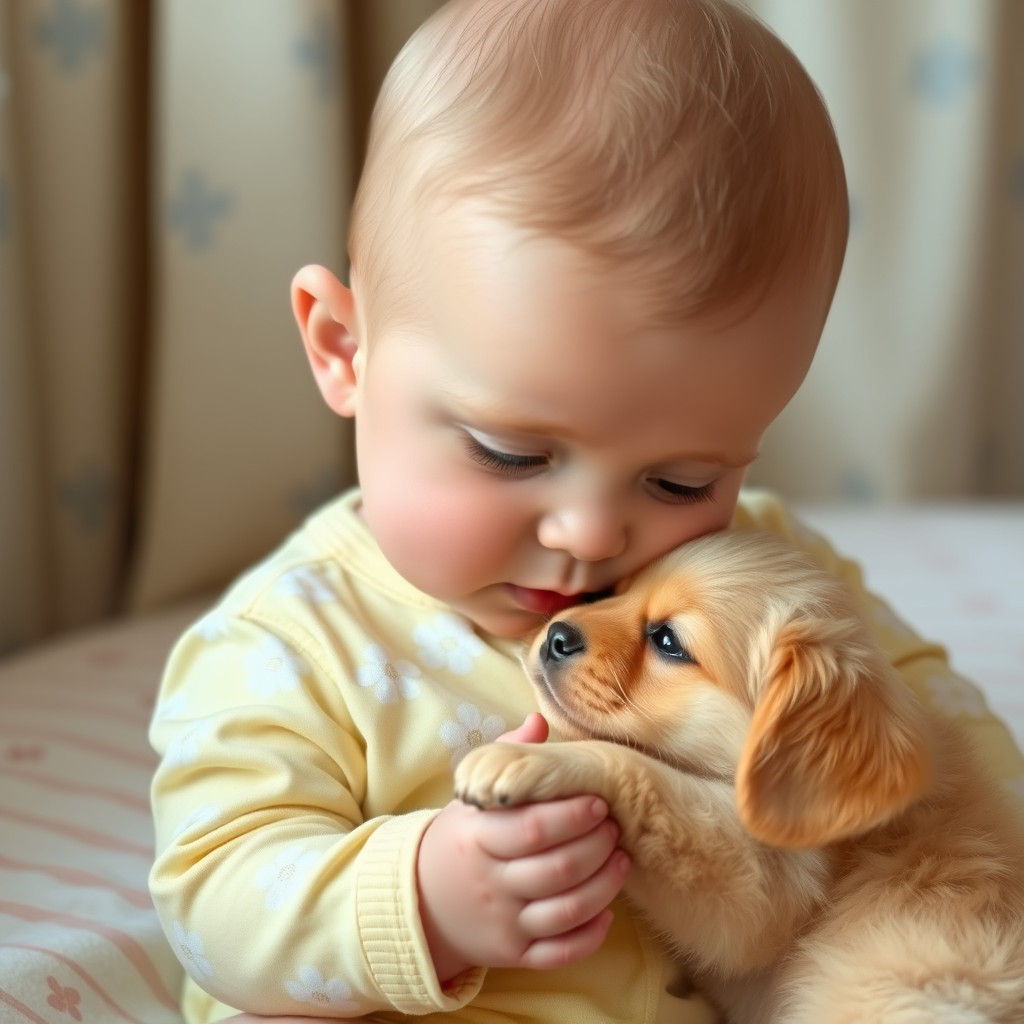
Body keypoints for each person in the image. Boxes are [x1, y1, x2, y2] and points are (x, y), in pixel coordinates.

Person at [148, 1, 1024, 1022]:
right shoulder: (287, 644)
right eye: (513, 453)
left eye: (679, 481)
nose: (591, 535)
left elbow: (935, 735)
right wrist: (422, 895)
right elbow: (209, 902)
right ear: (343, 348)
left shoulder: (756, 566)